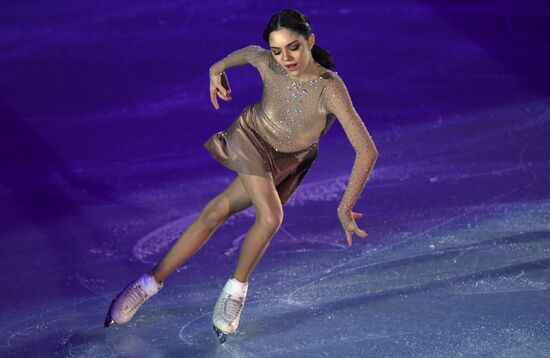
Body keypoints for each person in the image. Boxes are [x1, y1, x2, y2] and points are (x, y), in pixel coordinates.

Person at [104, 8, 378, 344]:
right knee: (271, 217)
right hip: (251, 139)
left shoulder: (330, 89)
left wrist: (345, 206)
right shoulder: (268, 63)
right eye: (277, 50)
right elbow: (250, 53)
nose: (285, 58)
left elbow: (367, 150)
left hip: (287, 162)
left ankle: (146, 283)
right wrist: (215, 71)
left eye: (293, 47)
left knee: (216, 211)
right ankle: (235, 292)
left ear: (310, 41)